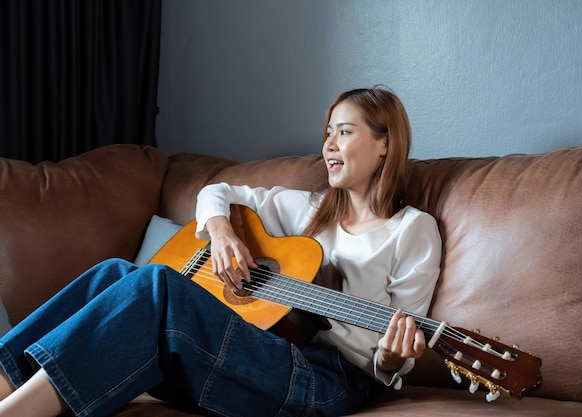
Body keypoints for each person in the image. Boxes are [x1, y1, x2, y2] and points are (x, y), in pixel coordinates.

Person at [0, 87, 442, 417]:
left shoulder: (413, 230)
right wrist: (221, 233)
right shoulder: (307, 210)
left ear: (385, 144)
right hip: (265, 351)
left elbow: (392, 360)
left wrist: (391, 357)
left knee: (156, 283)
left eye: (344, 132)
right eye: (327, 133)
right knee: (113, 273)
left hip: (329, 381)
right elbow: (217, 191)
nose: (327, 144)